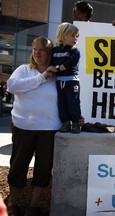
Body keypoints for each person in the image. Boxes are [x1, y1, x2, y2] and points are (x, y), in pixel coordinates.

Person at [6, 37, 61, 216]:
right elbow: (12, 86)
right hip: (23, 127)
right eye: (34, 49)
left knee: (43, 169)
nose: (37, 53)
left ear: (49, 53)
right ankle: (13, 204)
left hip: (49, 129)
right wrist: (41, 78)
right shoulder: (24, 70)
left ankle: (33, 206)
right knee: (18, 166)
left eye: (42, 50)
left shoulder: (58, 75)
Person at [49, 22, 82, 133]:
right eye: (72, 36)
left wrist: (56, 69)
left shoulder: (75, 51)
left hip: (71, 82)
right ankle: (66, 123)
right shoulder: (54, 50)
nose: (75, 38)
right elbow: (51, 63)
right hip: (59, 82)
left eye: (77, 36)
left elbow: (69, 64)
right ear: (63, 35)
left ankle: (76, 123)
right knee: (61, 104)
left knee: (73, 103)